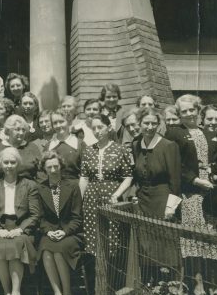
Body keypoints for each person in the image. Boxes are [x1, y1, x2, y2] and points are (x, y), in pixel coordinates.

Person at [170, 94, 217, 295]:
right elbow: (177, 166)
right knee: (195, 242)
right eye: (183, 111)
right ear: (179, 114)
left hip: (212, 193)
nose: (188, 114)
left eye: (191, 110)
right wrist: (196, 181)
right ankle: (198, 287)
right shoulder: (175, 133)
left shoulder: (208, 133)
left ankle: (215, 287)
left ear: (198, 110)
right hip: (192, 194)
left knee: (214, 241)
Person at [0, 148, 40, 295]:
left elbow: (35, 214)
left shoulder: (29, 185)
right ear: (1, 165)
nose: (9, 166)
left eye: (12, 162)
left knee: (15, 245)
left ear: (18, 164)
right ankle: (7, 293)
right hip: (1, 229)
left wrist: (20, 229)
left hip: (22, 229)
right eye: (6, 162)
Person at [131, 108, 182, 280]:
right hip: (144, 200)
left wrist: (171, 206)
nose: (150, 127)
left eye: (154, 123)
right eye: (146, 123)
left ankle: (170, 284)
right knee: (146, 241)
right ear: (139, 124)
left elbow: (175, 180)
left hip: (163, 198)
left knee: (165, 242)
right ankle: (150, 283)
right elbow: (134, 174)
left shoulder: (168, 146)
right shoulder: (136, 144)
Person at [37, 151, 85, 295]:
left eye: (56, 166)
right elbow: (40, 218)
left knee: (58, 251)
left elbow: (77, 217)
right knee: (46, 250)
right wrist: (49, 232)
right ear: (44, 168)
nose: (53, 170)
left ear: (61, 167)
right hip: (50, 233)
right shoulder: (40, 188)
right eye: (49, 167)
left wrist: (64, 232)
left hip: (71, 234)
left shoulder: (72, 186)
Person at [79, 113, 133, 256]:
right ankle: (98, 274)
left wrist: (117, 194)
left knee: (113, 234)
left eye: (100, 127)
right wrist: (80, 199)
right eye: (94, 128)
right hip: (91, 198)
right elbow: (84, 178)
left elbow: (128, 177)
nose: (97, 131)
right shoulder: (88, 151)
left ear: (109, 128)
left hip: (112, 196)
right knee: (93, 235)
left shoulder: (120, 149)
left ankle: (112, 273)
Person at [0, 115, 42, 181]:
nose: (21, 133)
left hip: (29, 187)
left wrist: (38, 187)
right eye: (17, 129)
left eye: (23, 130)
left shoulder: (32, 147)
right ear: (8, 131)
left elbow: (41, 170)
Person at [46, 109, 85, 184]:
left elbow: (85, 174)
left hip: (75, 188)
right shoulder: (49, 146)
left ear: (69, 122)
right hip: (53, 187)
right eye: (55, 123)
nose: (58, 125)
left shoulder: (79, 144)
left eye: (61, 121)